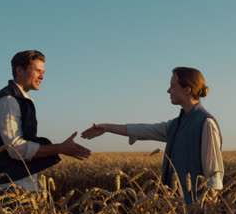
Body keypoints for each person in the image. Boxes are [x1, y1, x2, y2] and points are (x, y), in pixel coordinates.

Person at [81, 67, 223, 204]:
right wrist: (106, 127)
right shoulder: (176, 124)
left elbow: (213, 175)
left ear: (187, 90)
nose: (168, 90)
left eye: (172, 86)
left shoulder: (206, 123)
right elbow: (144, 129)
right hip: (177, 208)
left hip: (198, 211)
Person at [0, 50, 91, 193]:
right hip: (9, 188)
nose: (42, 77)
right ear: (20, 70)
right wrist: (60, 148)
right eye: (38, 71)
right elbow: (15, 149)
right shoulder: (8, 100)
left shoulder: (20, 98)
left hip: (22, 184)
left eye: (43, 72)